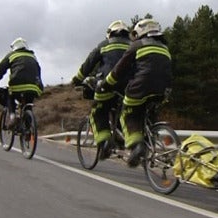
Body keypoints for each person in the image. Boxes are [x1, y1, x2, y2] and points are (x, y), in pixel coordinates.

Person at [97, 19, 172, 167]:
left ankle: (137, 146)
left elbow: (119, 70)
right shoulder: (165, 47)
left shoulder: (137, 45)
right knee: (145, 113)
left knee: (127, 113)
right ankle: (150, 138)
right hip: (164, 89)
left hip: (141, 87)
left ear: (141, 32)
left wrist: (106, 83)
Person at [72, 20, 131, 159]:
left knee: (98, 112)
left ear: (109, 34)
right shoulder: (132, 45)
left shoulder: (104, 45)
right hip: (130, 86)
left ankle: (105, 144)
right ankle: (122, 138)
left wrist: (76, 80)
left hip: (108, 84)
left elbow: (88, 65)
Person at [0, 37, 44, 127]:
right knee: (28, 104)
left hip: (17, 85)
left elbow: (0, 70)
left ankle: (12, 116)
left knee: (9, 96)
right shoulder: (33, 57)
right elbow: (38, 71)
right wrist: (40, 87)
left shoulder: (12, 55)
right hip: (34, 86)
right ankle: (28, 130)